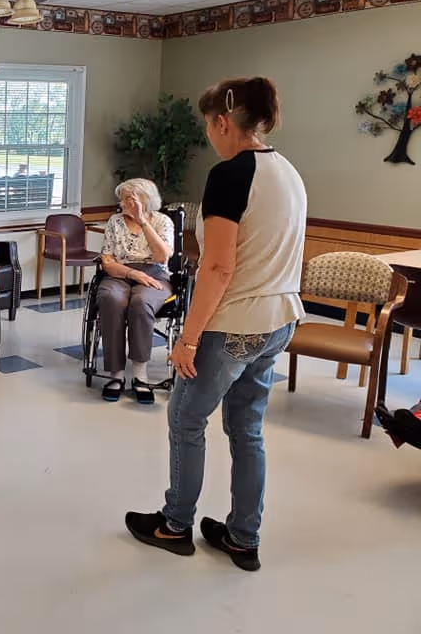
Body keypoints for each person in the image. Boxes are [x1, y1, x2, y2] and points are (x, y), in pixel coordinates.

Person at [125, 77, 306, 572]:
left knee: (186, 419)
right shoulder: (287, 171)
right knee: (247, 429)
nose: (209, 133)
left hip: (236, 324)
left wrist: (187, 338)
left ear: (224, 121)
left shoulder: (230, 174)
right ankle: (243, 538)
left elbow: (220, 268)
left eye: (209, 124)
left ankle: (175, 524)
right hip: (281, 319)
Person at [96, 178, 174, 404]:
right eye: (122, 198)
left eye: (128, 198)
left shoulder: (162, 221)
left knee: (141, 304)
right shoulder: (114, 221)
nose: (122, 203)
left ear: (145, 199)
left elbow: (162, 257)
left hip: (155, 274)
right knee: (111, 299)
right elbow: (107, 261)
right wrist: (132, 274)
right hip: (119, 272)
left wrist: (142, 222)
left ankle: (140, 375)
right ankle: (116, 375)